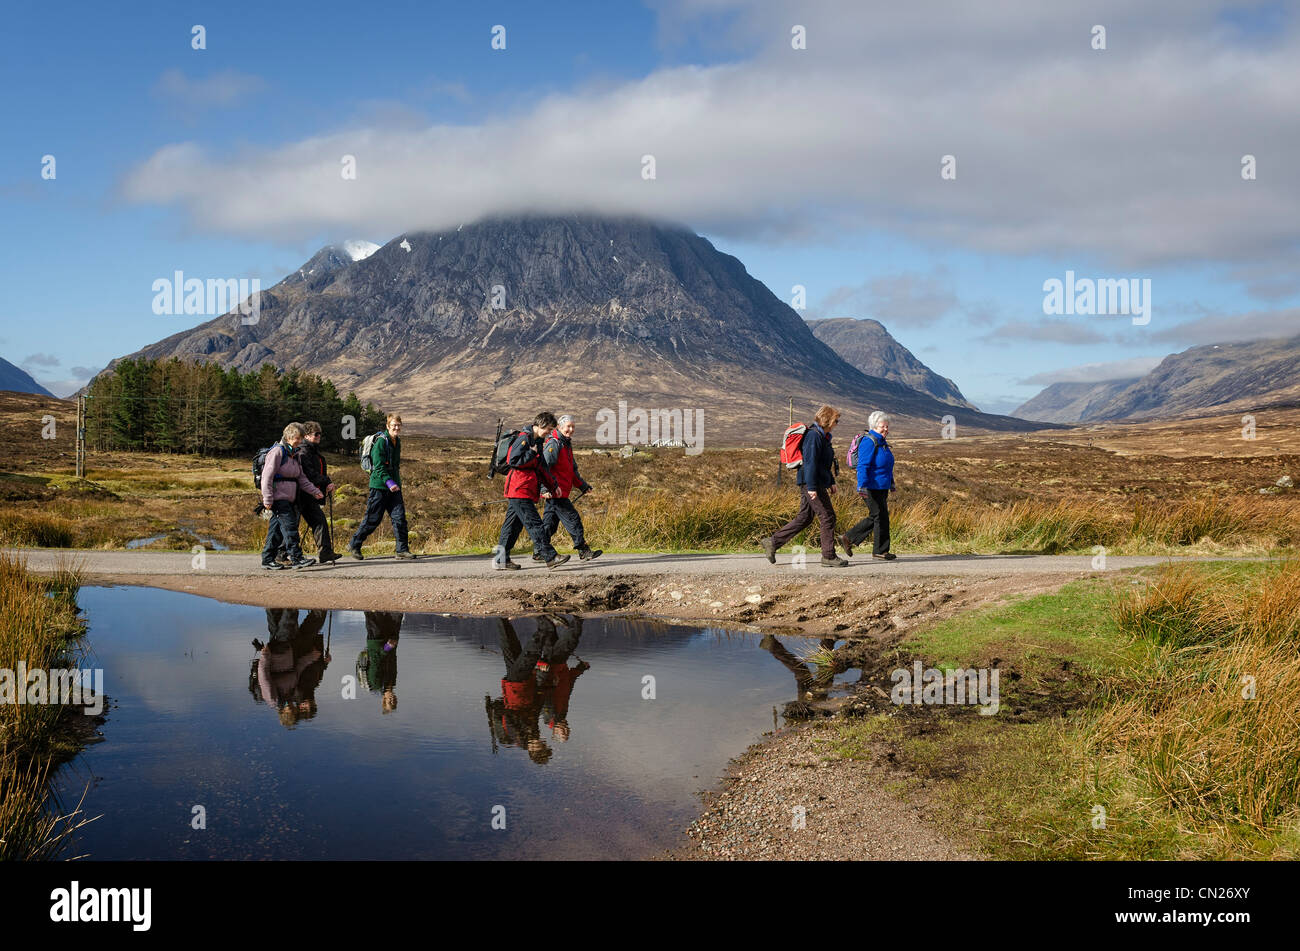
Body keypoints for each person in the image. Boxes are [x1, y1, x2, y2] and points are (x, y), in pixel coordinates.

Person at [761, 405, 847, 567]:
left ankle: (772, 542)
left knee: (805, 517)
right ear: (827, 420)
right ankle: (828, 556)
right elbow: (810, 464)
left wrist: (831, 482)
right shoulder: (813, 437)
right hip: (811, 482)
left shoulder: (823, 437)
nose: (837, 423)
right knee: (827, 517)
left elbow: (823, 464)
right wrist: (812, 487)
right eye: (836, 420)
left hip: (815, 481)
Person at [494, 412, 569, 570]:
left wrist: (553, 485)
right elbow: (513, 460)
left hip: (523, 489)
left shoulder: (538, 442)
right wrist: (532, 453)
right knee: (535, 524)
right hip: (519, 489)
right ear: (540, 425)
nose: (549, 433)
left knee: (512, 526)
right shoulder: (524, 439)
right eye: (548, 429)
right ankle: (550, 556)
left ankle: (501, 560)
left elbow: (541, 467)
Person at [349, 413, 415, 560]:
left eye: (398, 425)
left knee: (400, 518)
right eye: (394, 425)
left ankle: (402, 550)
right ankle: (354, 544)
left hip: (394, 487)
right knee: (373, 519)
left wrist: (395, 483)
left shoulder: (397, 442)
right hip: (379, 487)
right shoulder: (381, 442)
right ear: (387, 426)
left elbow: (395, 466)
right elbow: (378, 467)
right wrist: (389, 482)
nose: (396, 427)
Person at [260, 422, 324, 570]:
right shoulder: (277, 452)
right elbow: (266, 477)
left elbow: (301, 478)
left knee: (275, 531)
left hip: (289, 498)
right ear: (289, 437)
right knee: (290, 528)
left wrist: (315, 491)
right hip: (278, 498)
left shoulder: (294, 454)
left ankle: (267, 559)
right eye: (298, 438)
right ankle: (296, 558)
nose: (300, 441)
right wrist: (268, 499)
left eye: (301, 438)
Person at [539, 414, 602, 562]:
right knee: (573, 519)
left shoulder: (565, 444)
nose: (571, 429)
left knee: (549, 525)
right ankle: (583, 550)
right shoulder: (554, 443)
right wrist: (543, 489)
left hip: (559, 491)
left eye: (573, 426)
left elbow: (571, 471)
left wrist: (583, 486)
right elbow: (543, 467)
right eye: (568, 426)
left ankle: (539, 550)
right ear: (560, 427)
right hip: (555, 491)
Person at [840, 411, 897, 560]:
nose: (885, 429)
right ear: (873, 427)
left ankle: (880, 550)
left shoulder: (883, 442)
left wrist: (891, 483)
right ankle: (849, 538)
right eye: (882, 427)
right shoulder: (869, 441)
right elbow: (863, 465)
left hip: (882, 486)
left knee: (881, 517)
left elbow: (886, 465)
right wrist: (862, 485)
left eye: (887, 426)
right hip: (870, 486)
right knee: (878, 515)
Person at [294, 421, 340, 563]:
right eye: (316, 434)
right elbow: (309, 473)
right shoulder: (303, 451)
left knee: (319, 521)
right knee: (291, 525)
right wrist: (326, 481)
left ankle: (325, 553)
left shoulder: (311, 451)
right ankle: (281, 554)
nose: (319, 436)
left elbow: (315, 472)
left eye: (320, 433)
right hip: (299, 494)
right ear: (306, 435)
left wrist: (325, 482)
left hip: (309, 494)